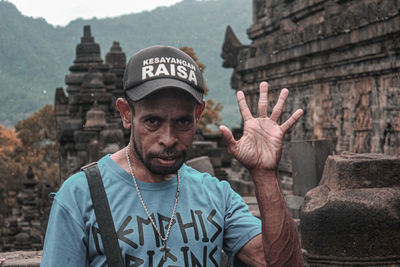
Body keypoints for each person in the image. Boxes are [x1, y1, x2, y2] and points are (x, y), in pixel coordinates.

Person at [41, 45, 304, 266]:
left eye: (182, 122)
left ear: (197, 116)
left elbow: (279, 264)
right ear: (126, 113)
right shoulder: (80, 196)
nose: (168, 138)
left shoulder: (216, 195)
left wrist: (265, 175)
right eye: (153, 121)